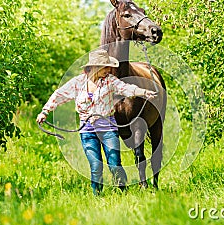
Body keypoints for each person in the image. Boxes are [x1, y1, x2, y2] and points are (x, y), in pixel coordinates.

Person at [36, 49, 156, 195]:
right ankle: (97, 196)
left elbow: (125, 88)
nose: (109, 70)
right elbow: (59, 95)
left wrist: (143, 92)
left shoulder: (110, 81)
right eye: (106, 67)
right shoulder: (78, 83)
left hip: (108, 130)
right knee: (95, 166)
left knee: (114, 164)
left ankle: (123, 193)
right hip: (87, 132)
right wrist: (44, 111)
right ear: (95, 67)